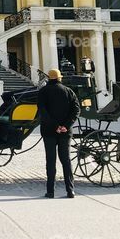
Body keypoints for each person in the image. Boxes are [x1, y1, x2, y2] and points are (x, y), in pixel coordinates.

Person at [37, 68, 81, 199]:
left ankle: (50, 191)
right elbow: (76, 110)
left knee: (50, 160)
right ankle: (70, 191)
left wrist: (55, 126)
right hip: (65, 132)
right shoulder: (69, 91)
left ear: (49, 78)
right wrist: (65, 126)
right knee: (66, 160)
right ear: (60, 78)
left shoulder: (43, 92)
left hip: (49, 131)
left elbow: (43, 112)